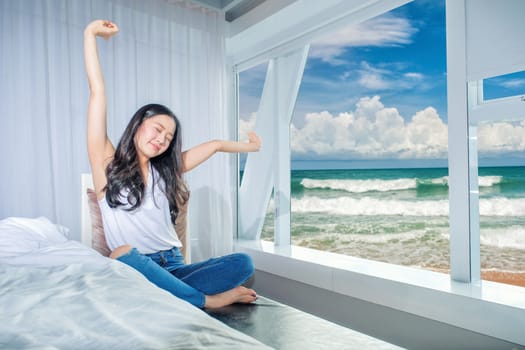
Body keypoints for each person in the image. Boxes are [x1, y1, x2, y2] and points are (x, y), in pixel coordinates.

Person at [84, 19, 260, 309]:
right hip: (135, 267)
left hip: (175, 267)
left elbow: (215, 145)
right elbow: (97, 92)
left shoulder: (165, 171)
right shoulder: (106, 163)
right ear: (139, 124)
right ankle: (207, 301)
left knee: (243, 263)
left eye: (168, 137)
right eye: (157, 129)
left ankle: (170, 294)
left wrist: (251, 147)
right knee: (121, 253)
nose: (162, 139)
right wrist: (90, 34)